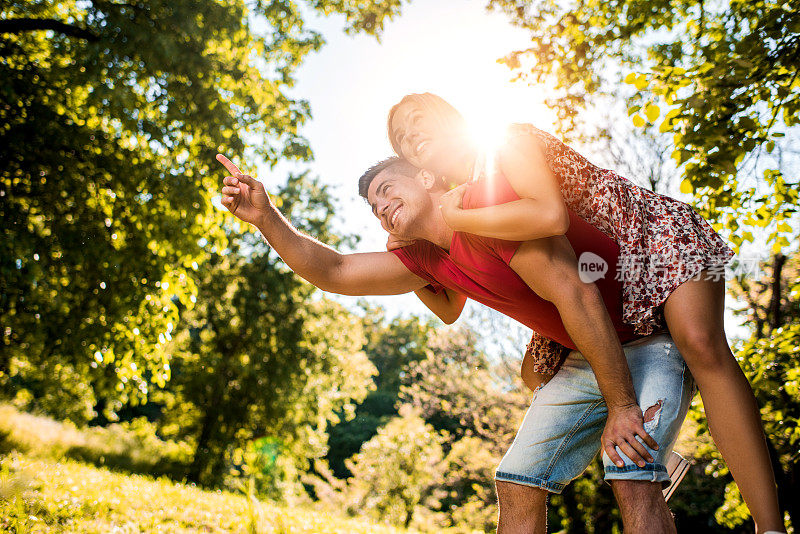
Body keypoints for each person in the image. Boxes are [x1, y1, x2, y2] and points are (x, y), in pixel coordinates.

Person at [216, 153, 692, 533]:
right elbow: (334, 271)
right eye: (374, 207)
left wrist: (622, 406)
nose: (380, 207)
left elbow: (579, 295)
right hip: (579, 356)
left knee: (633, 480)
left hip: (647, 334)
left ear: (426, 177)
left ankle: (655, 455)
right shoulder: (426, 258)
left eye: (386, 190)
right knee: (517, 483)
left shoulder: (488, 211)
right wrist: (266, 218)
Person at [387, 93, 785, 534]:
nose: (411, 135)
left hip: (646, 242)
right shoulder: (455, 202)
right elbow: (449, 306)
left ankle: (769, 526)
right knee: (535, 373)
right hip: (590, 281)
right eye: (401, 136)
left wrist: (458, 219)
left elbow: (549, 215)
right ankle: (656, 454)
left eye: (416, 120)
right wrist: (414, 254)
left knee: (701, 344)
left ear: (448, 116)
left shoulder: (506, 145)